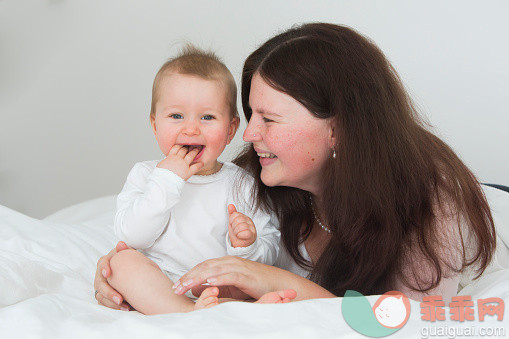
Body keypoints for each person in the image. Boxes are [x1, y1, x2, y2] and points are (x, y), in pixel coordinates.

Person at [95, 23, 496, 311]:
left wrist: (277, 282)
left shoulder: (431, 196)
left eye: (269, 119)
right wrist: (123, 273)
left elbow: (414, 318)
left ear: (337, 129)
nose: (248, 134)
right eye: (250, 114)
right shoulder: (263, 176)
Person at [105, 45, 290, 314]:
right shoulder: (147, 175)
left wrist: (246, 245)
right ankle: (187, 313)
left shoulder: (240, 183)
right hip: (162, 280)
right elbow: (133, 235)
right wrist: (168, 179)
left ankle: (223, 307)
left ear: (230, 130)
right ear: (155, 125)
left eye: (207, 117)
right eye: (176, 116)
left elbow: (270, 248)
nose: (191, 128)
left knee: (250, 277)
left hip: (218, 281)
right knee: (121, 263)